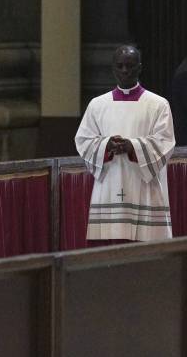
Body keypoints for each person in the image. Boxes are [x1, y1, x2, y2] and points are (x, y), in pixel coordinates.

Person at [75, 45, 175, 244]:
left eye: (129, 66)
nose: (124, 71)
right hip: (110, 183)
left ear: (139, 67)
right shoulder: (97, 105)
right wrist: (106, 146)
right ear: (112, 68)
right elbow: (83, 140)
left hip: (144, 186)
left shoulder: (158, 104)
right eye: (119, 66)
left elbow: (165, 141)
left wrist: (133, 147)